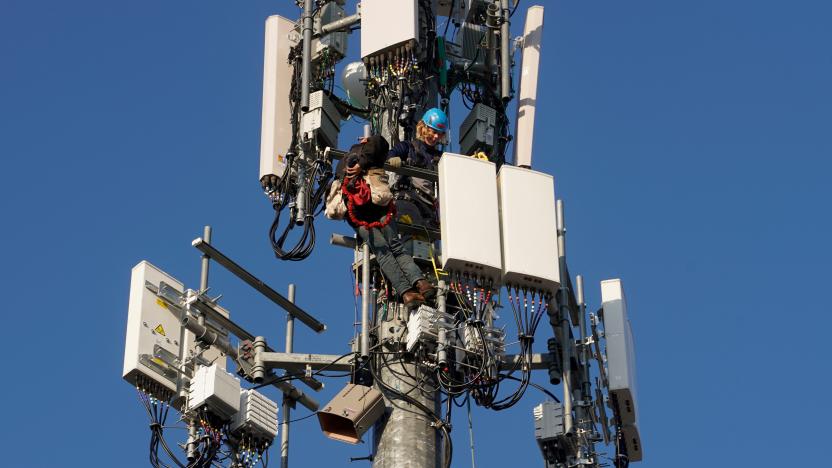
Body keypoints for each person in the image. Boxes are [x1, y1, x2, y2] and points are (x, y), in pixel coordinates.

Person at [339, 135, 436, 307]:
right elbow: (381, 143)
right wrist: (367, 154)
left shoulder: (343, 163)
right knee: (397, 247)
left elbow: (336, 193)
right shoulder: (371, 151)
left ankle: (407, 293)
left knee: (384, 253)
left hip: (357, 213)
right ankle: (421, 283)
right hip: (379, 205)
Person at [386, 108, 448, 228]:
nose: (435, 137)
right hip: (409, 201)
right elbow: (391, 154)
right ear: (423, 128)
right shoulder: (409, 147)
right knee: (410, 240)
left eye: (439, 134)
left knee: (422, 245)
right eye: (433, 131)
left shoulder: (441, 158)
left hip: (429, 211)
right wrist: (393, 159)